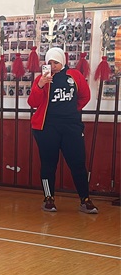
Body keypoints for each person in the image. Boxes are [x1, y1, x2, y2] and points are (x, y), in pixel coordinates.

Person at [28, 47, 98, 214]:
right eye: (49, 63)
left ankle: (85, 199)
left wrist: (72, 111)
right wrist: (40, 85)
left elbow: (85, 96)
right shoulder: (42, 79)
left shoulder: (75, 75)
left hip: (71, 126)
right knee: (48, 164)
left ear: (63, 62)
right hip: (47, 128)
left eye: (56, 62)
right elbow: (33, 103)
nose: (52, 66)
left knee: (78, 163)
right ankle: (48, 199)